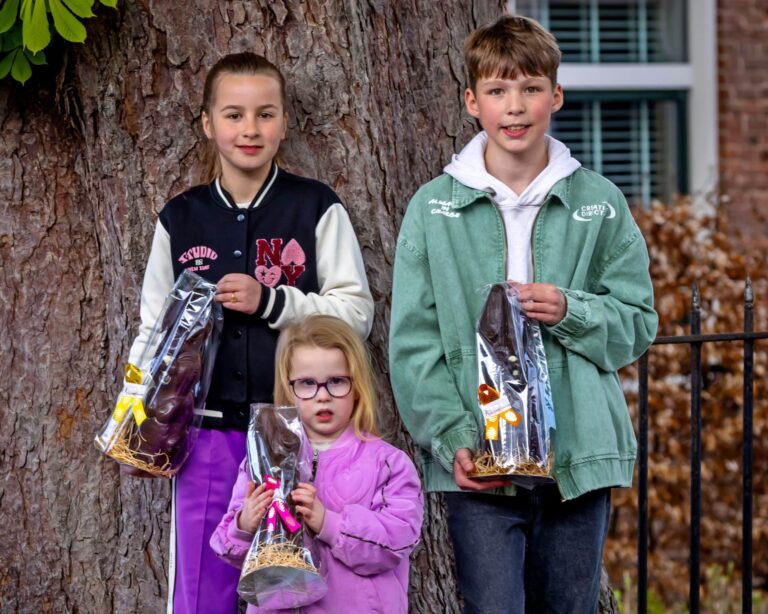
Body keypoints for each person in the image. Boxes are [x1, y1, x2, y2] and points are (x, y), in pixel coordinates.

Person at [389, 14, 658, 614]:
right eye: (497, 91)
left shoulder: (599, 203)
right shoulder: (433, 209)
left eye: (531, 88)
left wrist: (570, 309)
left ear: (555, 96)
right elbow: (413, 344)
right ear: (471, 101)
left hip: (575, 455)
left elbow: (637, 324)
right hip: (482, 466)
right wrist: (453, 439)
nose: (515, 107)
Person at [124, 53, 374, 613]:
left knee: (296, 596)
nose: (250, 129)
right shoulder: (180, 218)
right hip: (205, 438)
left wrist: (271, 301)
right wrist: (135, 422)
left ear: (285, 122)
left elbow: (355, 312)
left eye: (265, 114)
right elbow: (151, 330)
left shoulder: (315, 207)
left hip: (299, 435)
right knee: (201, 593)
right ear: (208, 124)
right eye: (234, 115)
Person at [210, 314, 424, 613]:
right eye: (307, 383)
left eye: (336, 381)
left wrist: (329, 523)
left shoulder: (388, 463)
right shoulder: (265, 457)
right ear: (289, 387)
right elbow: (229, 549)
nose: (323, 396)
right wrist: (245, 523)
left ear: (358, 385)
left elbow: (396, 543)